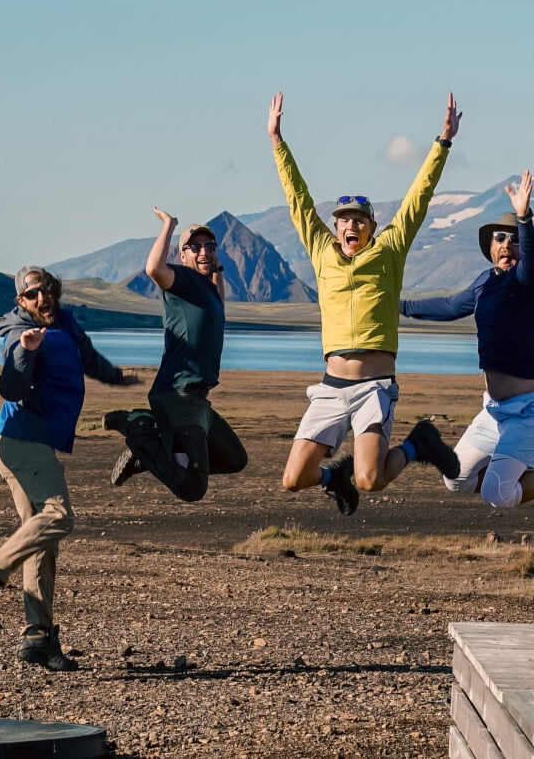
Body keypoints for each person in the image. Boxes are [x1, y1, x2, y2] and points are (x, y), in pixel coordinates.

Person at [267, 91, 462, 515]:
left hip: (374, 386)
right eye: (344, 220)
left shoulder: (389, 250)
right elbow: (298, 200)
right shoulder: (322, 251)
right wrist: (277, 142)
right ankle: (333, 478)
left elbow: (417, 199)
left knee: (370, 480)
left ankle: (419, 444)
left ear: (372, 226)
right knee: (293, 479)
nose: (351, 225)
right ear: (335, 228)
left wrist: (442, 142)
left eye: (359, 220)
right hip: (331, 387)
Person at [0, 266, 137, 671]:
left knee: (41, 537)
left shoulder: (64, 323)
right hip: (22, 442)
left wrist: (117, 378)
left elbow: (88, 357)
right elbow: (11, 386)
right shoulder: (18, 332)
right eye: (33, 293)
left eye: (48, 290)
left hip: (33, 442)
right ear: (21, 301)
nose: (43, 298)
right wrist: (26, 350)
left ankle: (37, 637)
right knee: (59, 516)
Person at [401, 171, 534, 506]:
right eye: (500, 238)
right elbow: (448, 306)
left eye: (515, 239)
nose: (507, 244)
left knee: (498, 494)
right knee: (456, 479)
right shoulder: (483, 282)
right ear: (490, 247)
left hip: (527, 412)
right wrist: (396, 306)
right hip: (493, 410)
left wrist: (525, 217)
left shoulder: (526, 281)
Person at [103, 207, 248, 502]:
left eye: (209, 247)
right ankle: (137, 427)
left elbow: (220, 305)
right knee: (191, 488)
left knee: (234, 459)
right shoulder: (182, 280)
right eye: (195, 248)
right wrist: (169, 225)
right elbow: (154, 269)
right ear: (182, 256)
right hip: (178, 396)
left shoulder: (207, 290)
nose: (204, 252)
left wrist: (218, 268)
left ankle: (148, 454)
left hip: (198, 400)